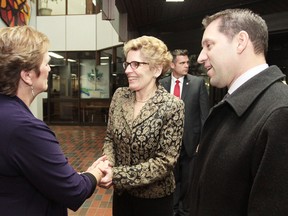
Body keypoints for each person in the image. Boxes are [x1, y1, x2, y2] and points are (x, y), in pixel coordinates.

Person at [0, 26, 107, 216]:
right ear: (27, 75)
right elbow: (74, 191)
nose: (50, 69)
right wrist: (96, 172)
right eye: (46, 63)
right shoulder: (25, 128)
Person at [190, 8, 288, 215]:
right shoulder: (239, 100)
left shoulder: (280, 113)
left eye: (209, 45)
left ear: (240, 42)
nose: (200, 57)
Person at [100, 36, 185, 216]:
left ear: (156, 69)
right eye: (127, 64)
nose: (128, 71)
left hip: (154, 200)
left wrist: (116, 175)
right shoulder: (120, 96)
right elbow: (110, 139)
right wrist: (108, 164)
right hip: (123, 196)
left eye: (136, 64)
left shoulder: (172, 106)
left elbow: (164, 162)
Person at [160, 49, 210, 216]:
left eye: (187, 62)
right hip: (168, 144)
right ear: (172, 65)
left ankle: (185, 211)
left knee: (188, 181)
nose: (186, 65)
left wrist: (202, 142)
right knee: (171, 179)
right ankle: (172, 210)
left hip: (191, 143)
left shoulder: (197, 83)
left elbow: (205, 114)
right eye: (182, 63)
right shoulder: (161, 84)